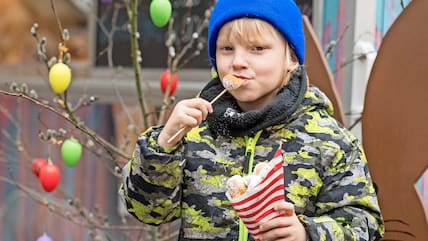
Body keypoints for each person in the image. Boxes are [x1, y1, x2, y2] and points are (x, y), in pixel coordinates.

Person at [119, 0, 385, 240]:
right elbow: (148, 212)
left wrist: (307, 234)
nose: (238, 62)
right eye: (226, 49)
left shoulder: (329, 140)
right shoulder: (194, 132)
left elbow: (365, 225)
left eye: (257, 48)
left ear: (291, 58)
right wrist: (164, 144)